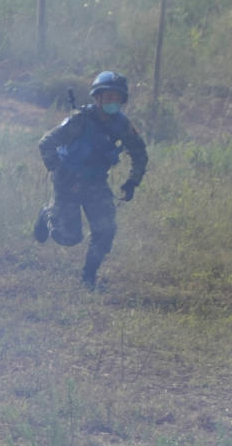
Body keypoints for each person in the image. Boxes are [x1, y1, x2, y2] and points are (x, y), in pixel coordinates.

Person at [33, 71, 148, 289]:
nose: (113, 101)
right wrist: (59, 170)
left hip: (95, 182)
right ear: (98, 98)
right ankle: (47, 214)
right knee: (68, 237)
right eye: (108, 96)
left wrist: (133, 180)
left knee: (105, 230)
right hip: (67, 180)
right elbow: (46, 143)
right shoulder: (78, 121)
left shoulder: (122, 125)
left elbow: (139, 152)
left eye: (117, 98)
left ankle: (88, 277)